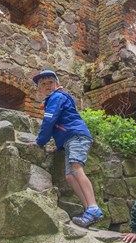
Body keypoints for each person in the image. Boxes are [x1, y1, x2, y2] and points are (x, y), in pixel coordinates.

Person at [33, 69, 103, 228]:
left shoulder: (56, 97)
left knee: (77, 169)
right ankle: (89, 211)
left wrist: (40, 142)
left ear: (58, 84)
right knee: (70, 176)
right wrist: (59, 146)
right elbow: (61, 124)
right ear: (39, 89)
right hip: (69, 139)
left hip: (76, 136)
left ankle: (93, 207)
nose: (47, 86)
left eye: (51, 82)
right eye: (43, 84)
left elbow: (49, 122)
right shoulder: (55, 98)